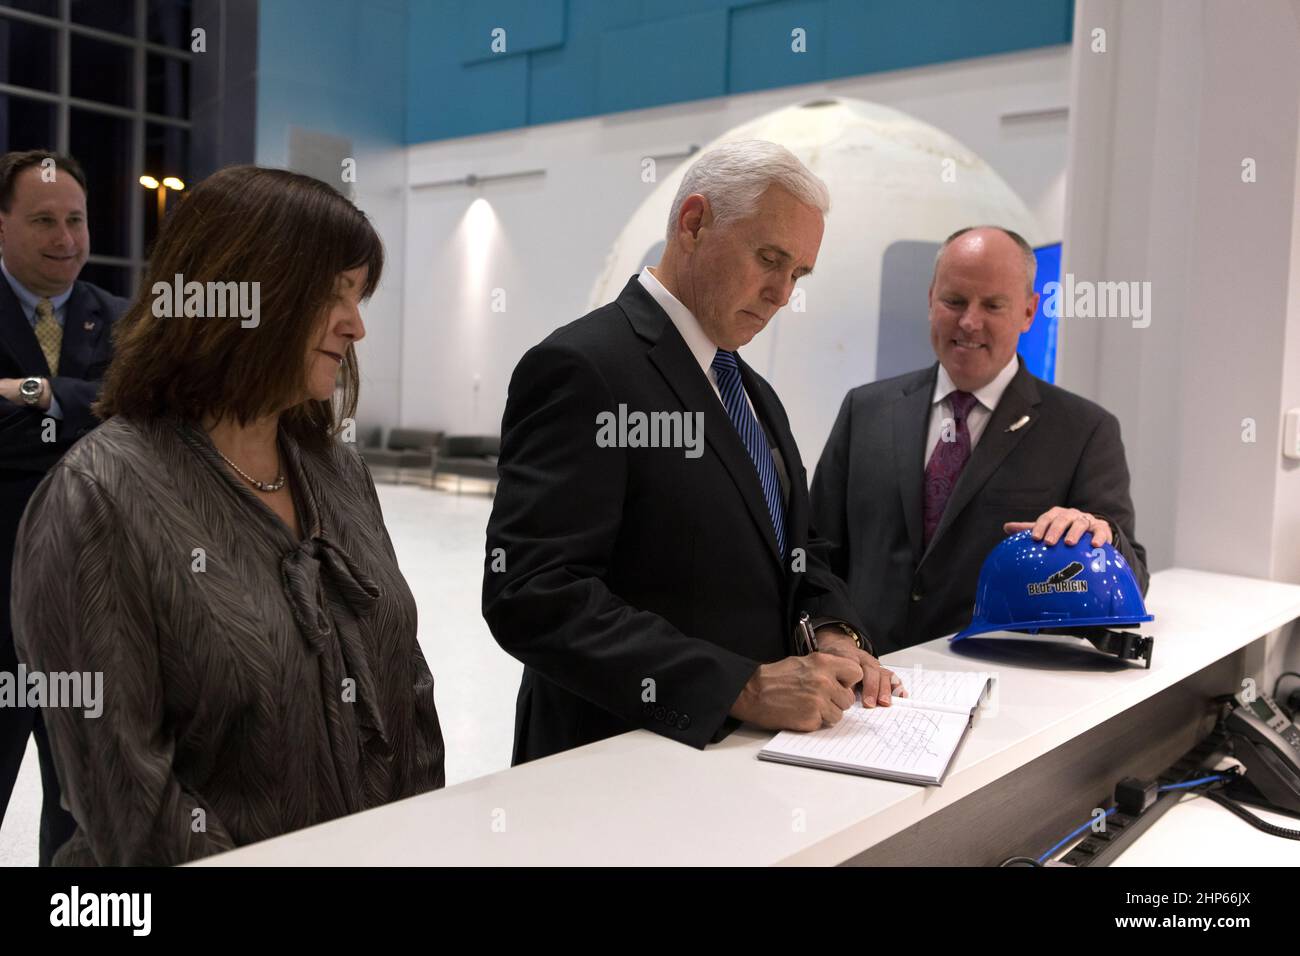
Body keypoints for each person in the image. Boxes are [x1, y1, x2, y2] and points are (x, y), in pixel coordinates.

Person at [11, 165, 445, 865]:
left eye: (359, 296)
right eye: (334, 295)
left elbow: (408, 692)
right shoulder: (98, 499)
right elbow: (133, 807)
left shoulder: (338, 472)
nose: (356, 325)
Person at [483, 140, 901, 766]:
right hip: (616, 763)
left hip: (741, 767)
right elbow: (533, 592)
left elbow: (797, 549)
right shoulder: (584, 367)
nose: (782, 293)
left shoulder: (752, 393)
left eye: (798, 274)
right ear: (694, 222)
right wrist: (740, 685)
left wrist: (833, 631)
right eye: (769, 258)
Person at [811, 225, 1148, 655]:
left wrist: (1103, 537)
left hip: (1002, 689)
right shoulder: (865, 410)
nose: (970, 322)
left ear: (1028, 312)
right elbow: (816, 553)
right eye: (954, 301)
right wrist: (829, 635)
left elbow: (1133, 580)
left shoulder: (1084, 431)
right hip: (864, 684)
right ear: (930, 300)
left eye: (993, 305)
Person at [0, 149, 122, 865]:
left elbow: (137, 415)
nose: (65, 238)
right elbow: (105, 416)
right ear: (2, 225)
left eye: (75, 220)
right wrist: (85, 411)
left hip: (92, 613)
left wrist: (35, 394)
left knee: (86, 813)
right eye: (44, 220)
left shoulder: (117, 318)